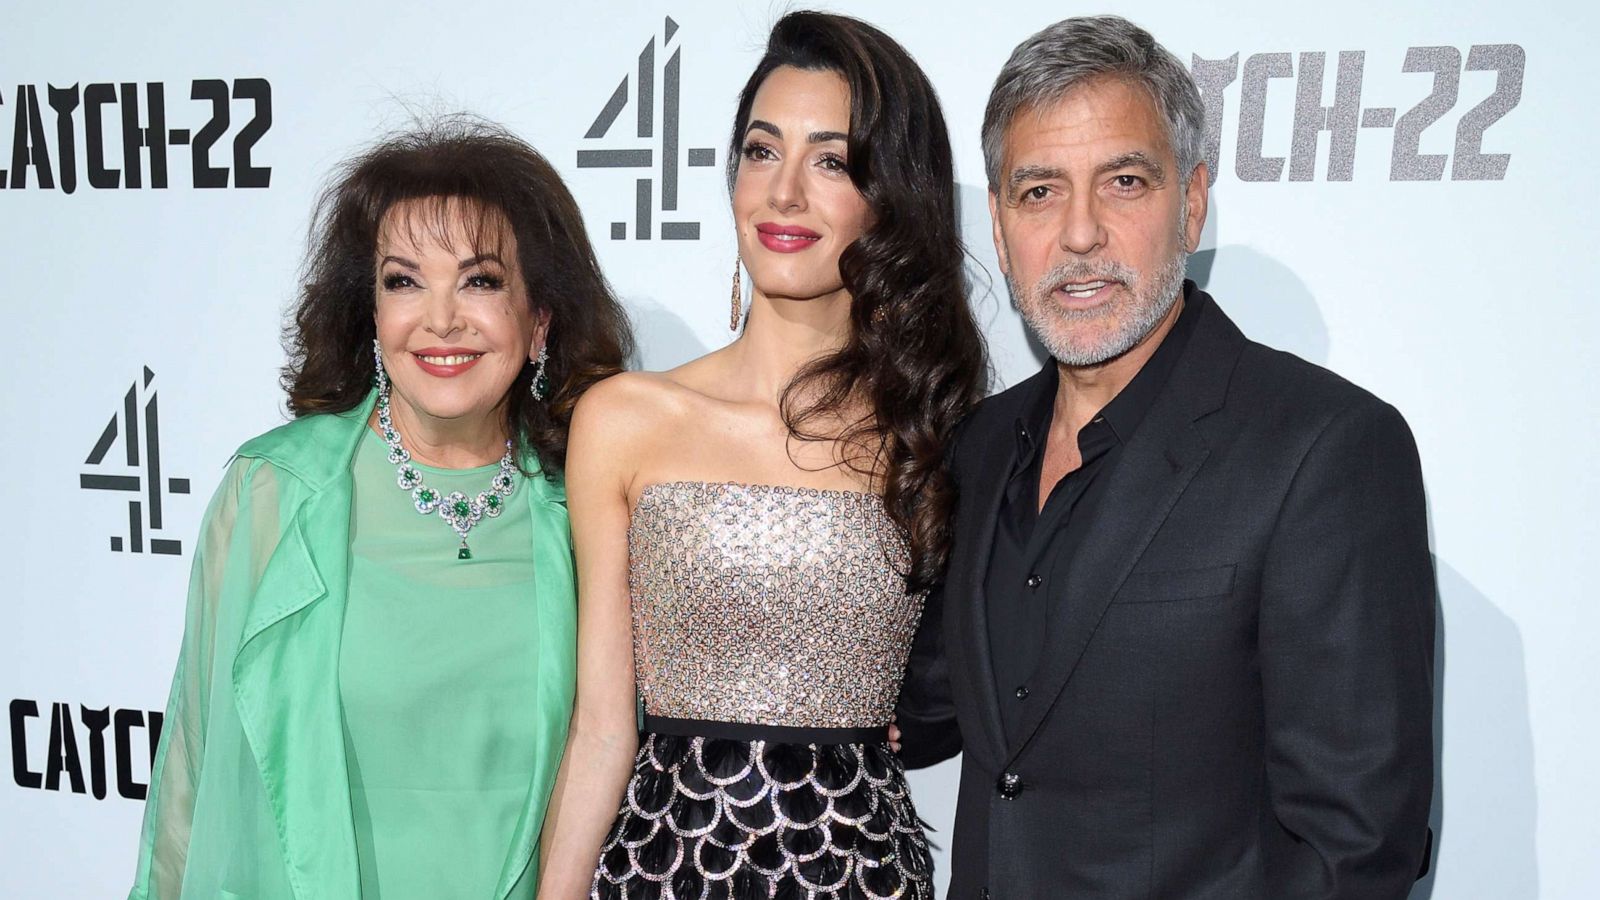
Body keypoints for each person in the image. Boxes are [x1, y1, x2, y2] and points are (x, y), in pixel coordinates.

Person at [895, 15, 1436, 898]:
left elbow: (1360, 845)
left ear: (1190, 202)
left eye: (1123, 183)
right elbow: (920, 718)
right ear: (997, 224)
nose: (1079, 235)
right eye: (1039, 192)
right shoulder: (979, 446)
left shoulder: (1325, 450)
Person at [534, 11, 988, 898]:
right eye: (760, 150)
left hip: (858, 875)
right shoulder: (625, 418)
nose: (784, 194)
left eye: (831, 160)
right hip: (665, 867)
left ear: (889, 196)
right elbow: (600, 726)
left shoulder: (933, 433)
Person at [127, 119, 632, 899]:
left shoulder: (585, 512)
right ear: (368, 313)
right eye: (403, 281)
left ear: (540, 322)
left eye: (481, 281)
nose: (441, 319)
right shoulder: (275, 493)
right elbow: (196, 767)